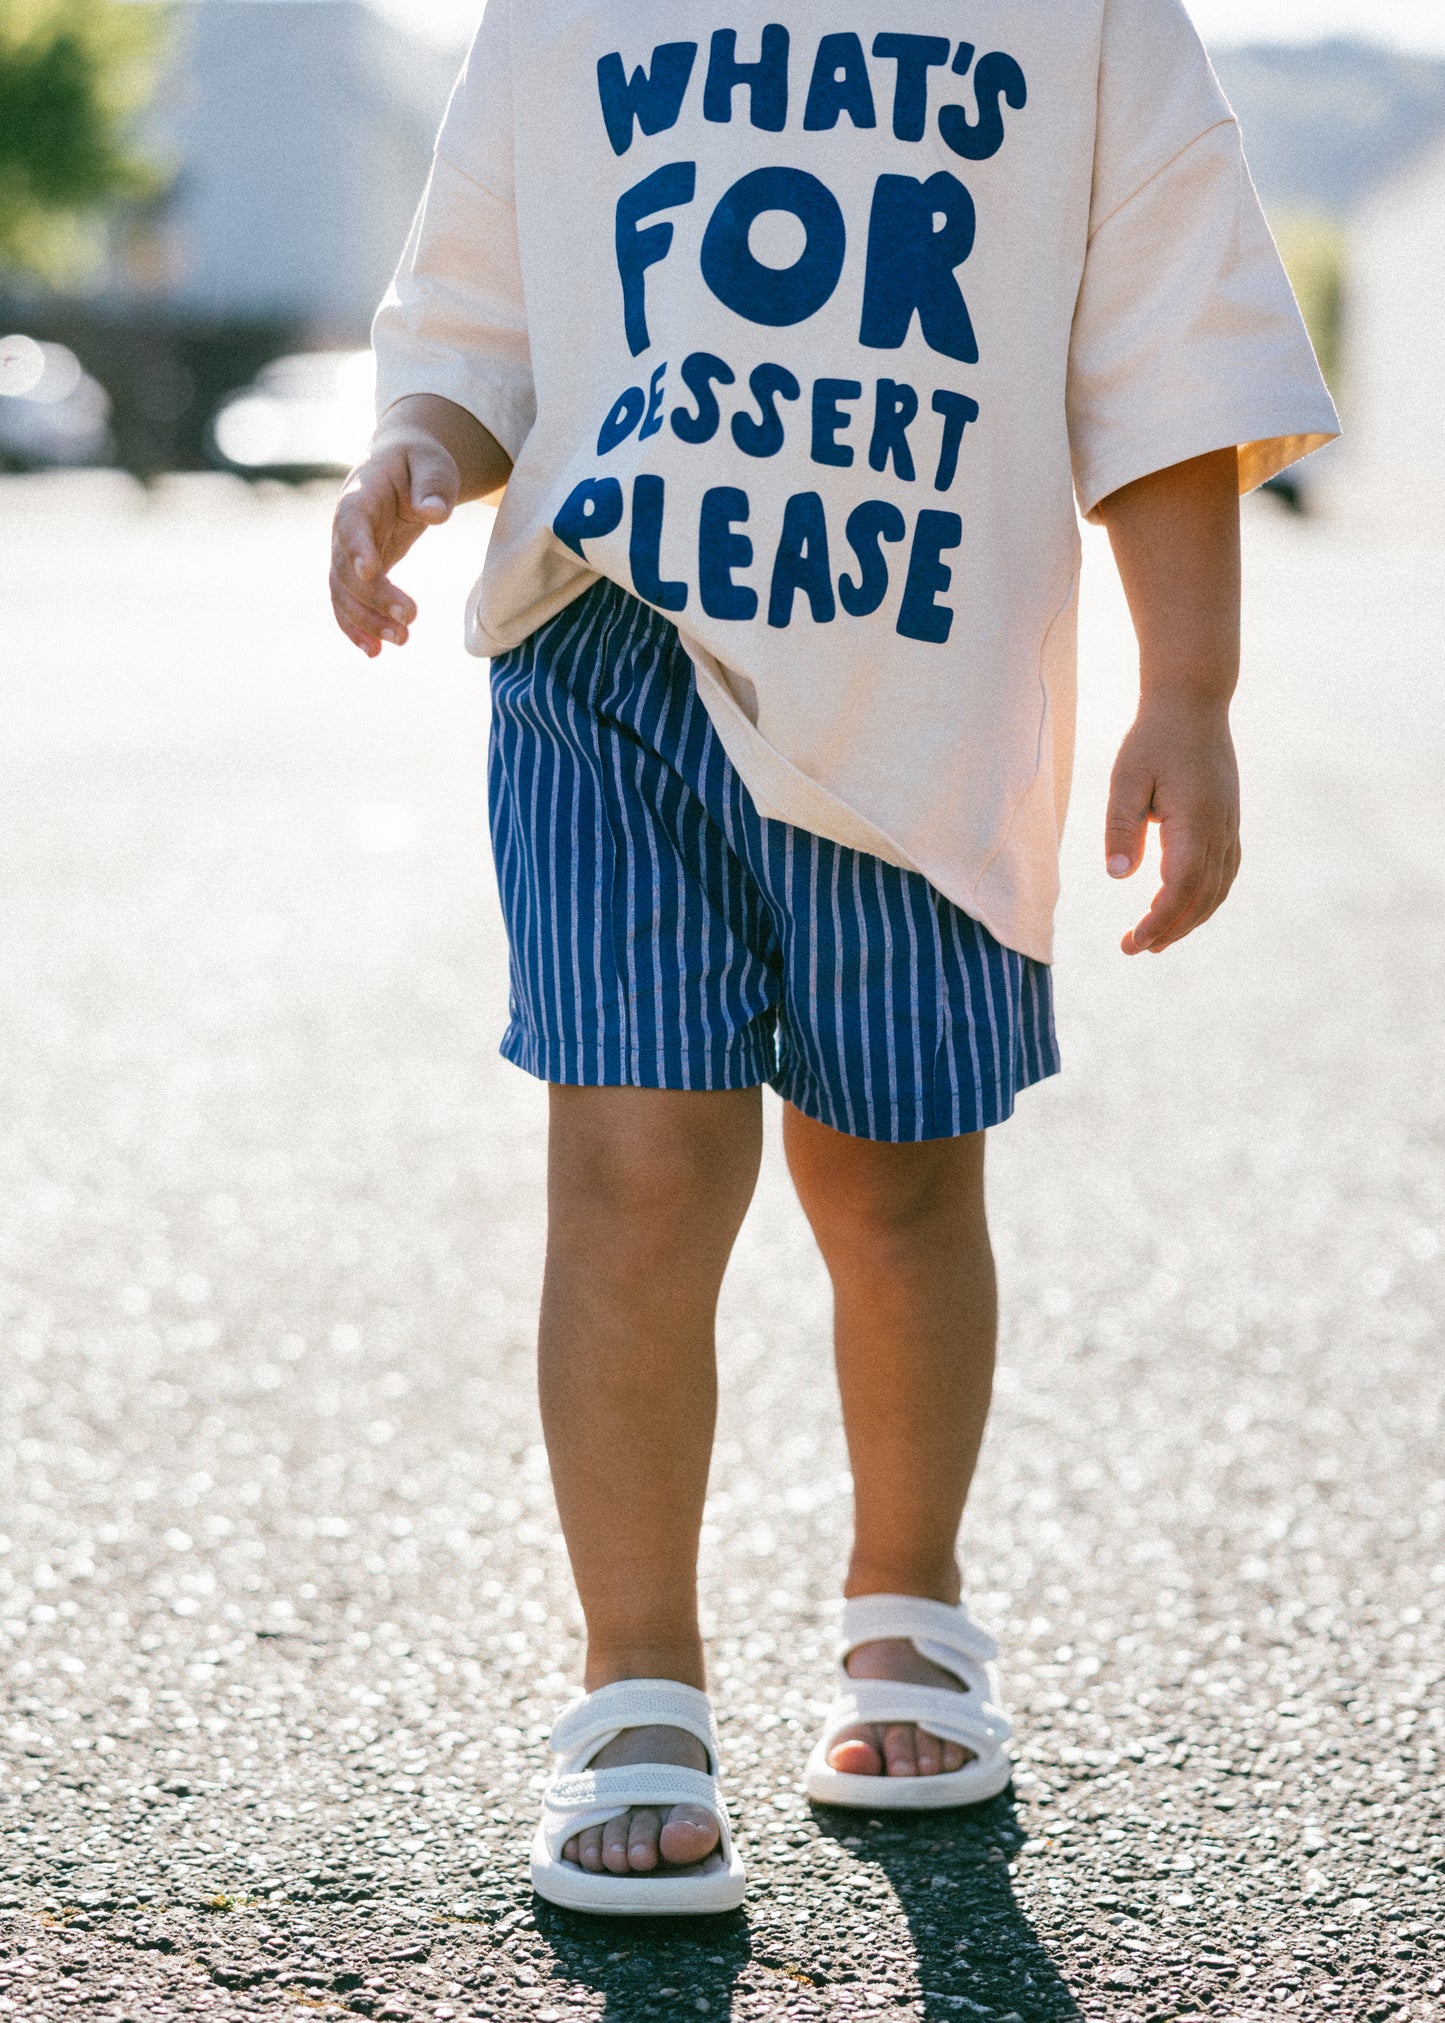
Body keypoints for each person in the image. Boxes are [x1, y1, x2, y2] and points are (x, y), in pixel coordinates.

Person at [330, 0, 1338, 1915]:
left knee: (891, 1183)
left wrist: (1187, 690)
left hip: (919, 690)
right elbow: (474, 318)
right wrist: (412, 449)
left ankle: (907, 1601)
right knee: (630, 1166)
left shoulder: (1083, 22)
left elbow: (1168, 354)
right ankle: (636, 1680)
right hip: (603, 648)